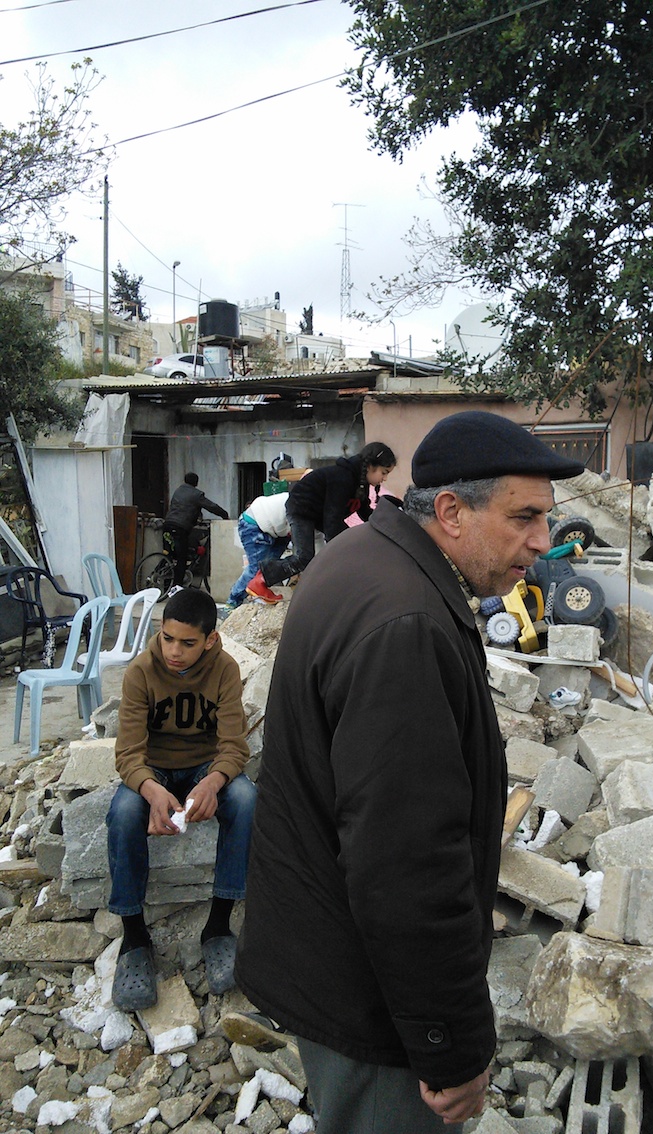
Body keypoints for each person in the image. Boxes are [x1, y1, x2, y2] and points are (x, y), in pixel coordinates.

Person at [228, 411, 583, 1132]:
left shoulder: (369, 562)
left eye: (546, 519)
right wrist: (446, 1045)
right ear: (450, 511)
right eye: (524, 518)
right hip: (368, 994)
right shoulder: (406, 625)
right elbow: (407, 862)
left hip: (336, 960)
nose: (542, 542)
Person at [106, 587, 255, 1011]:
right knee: (122, 813)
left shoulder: (224, 669)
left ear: (209, 639)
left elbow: (234, 745)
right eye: (168, 638)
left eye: (188, 643)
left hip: (203, 767)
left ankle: (218, 928)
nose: (174, 650)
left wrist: (213, 781)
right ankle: (134, 939)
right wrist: (151, 789)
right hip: (154, 770)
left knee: (245, 800)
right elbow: (128, 752)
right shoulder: (141, 671)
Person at [245, 441, 396, 602]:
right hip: (302, 510)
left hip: (317, 515)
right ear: (371, 466)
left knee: (331, 550)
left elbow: (365, 512)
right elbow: (333, 522)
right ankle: (261, 579)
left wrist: (387, 526)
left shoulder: (360, 482)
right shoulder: (342, 478)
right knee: (304, 558)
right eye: (384, 472)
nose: (385, 478)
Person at [225, 490, 291, 609]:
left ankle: (259, 590)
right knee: (257, 568)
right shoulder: (304, 501)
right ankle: (232, 602)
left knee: (268, 566)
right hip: (255, 524)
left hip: (276, 528)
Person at [163, 473, 229, 587]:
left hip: (168, 524)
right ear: (196, 482)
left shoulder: (178, 491)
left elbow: (182, 508)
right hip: (180, 527)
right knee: (181, 559)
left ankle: (165, 585)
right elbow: (211, 506)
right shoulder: (196, 494)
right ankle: (177, 588)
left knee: (170, 554)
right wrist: (224, 514)